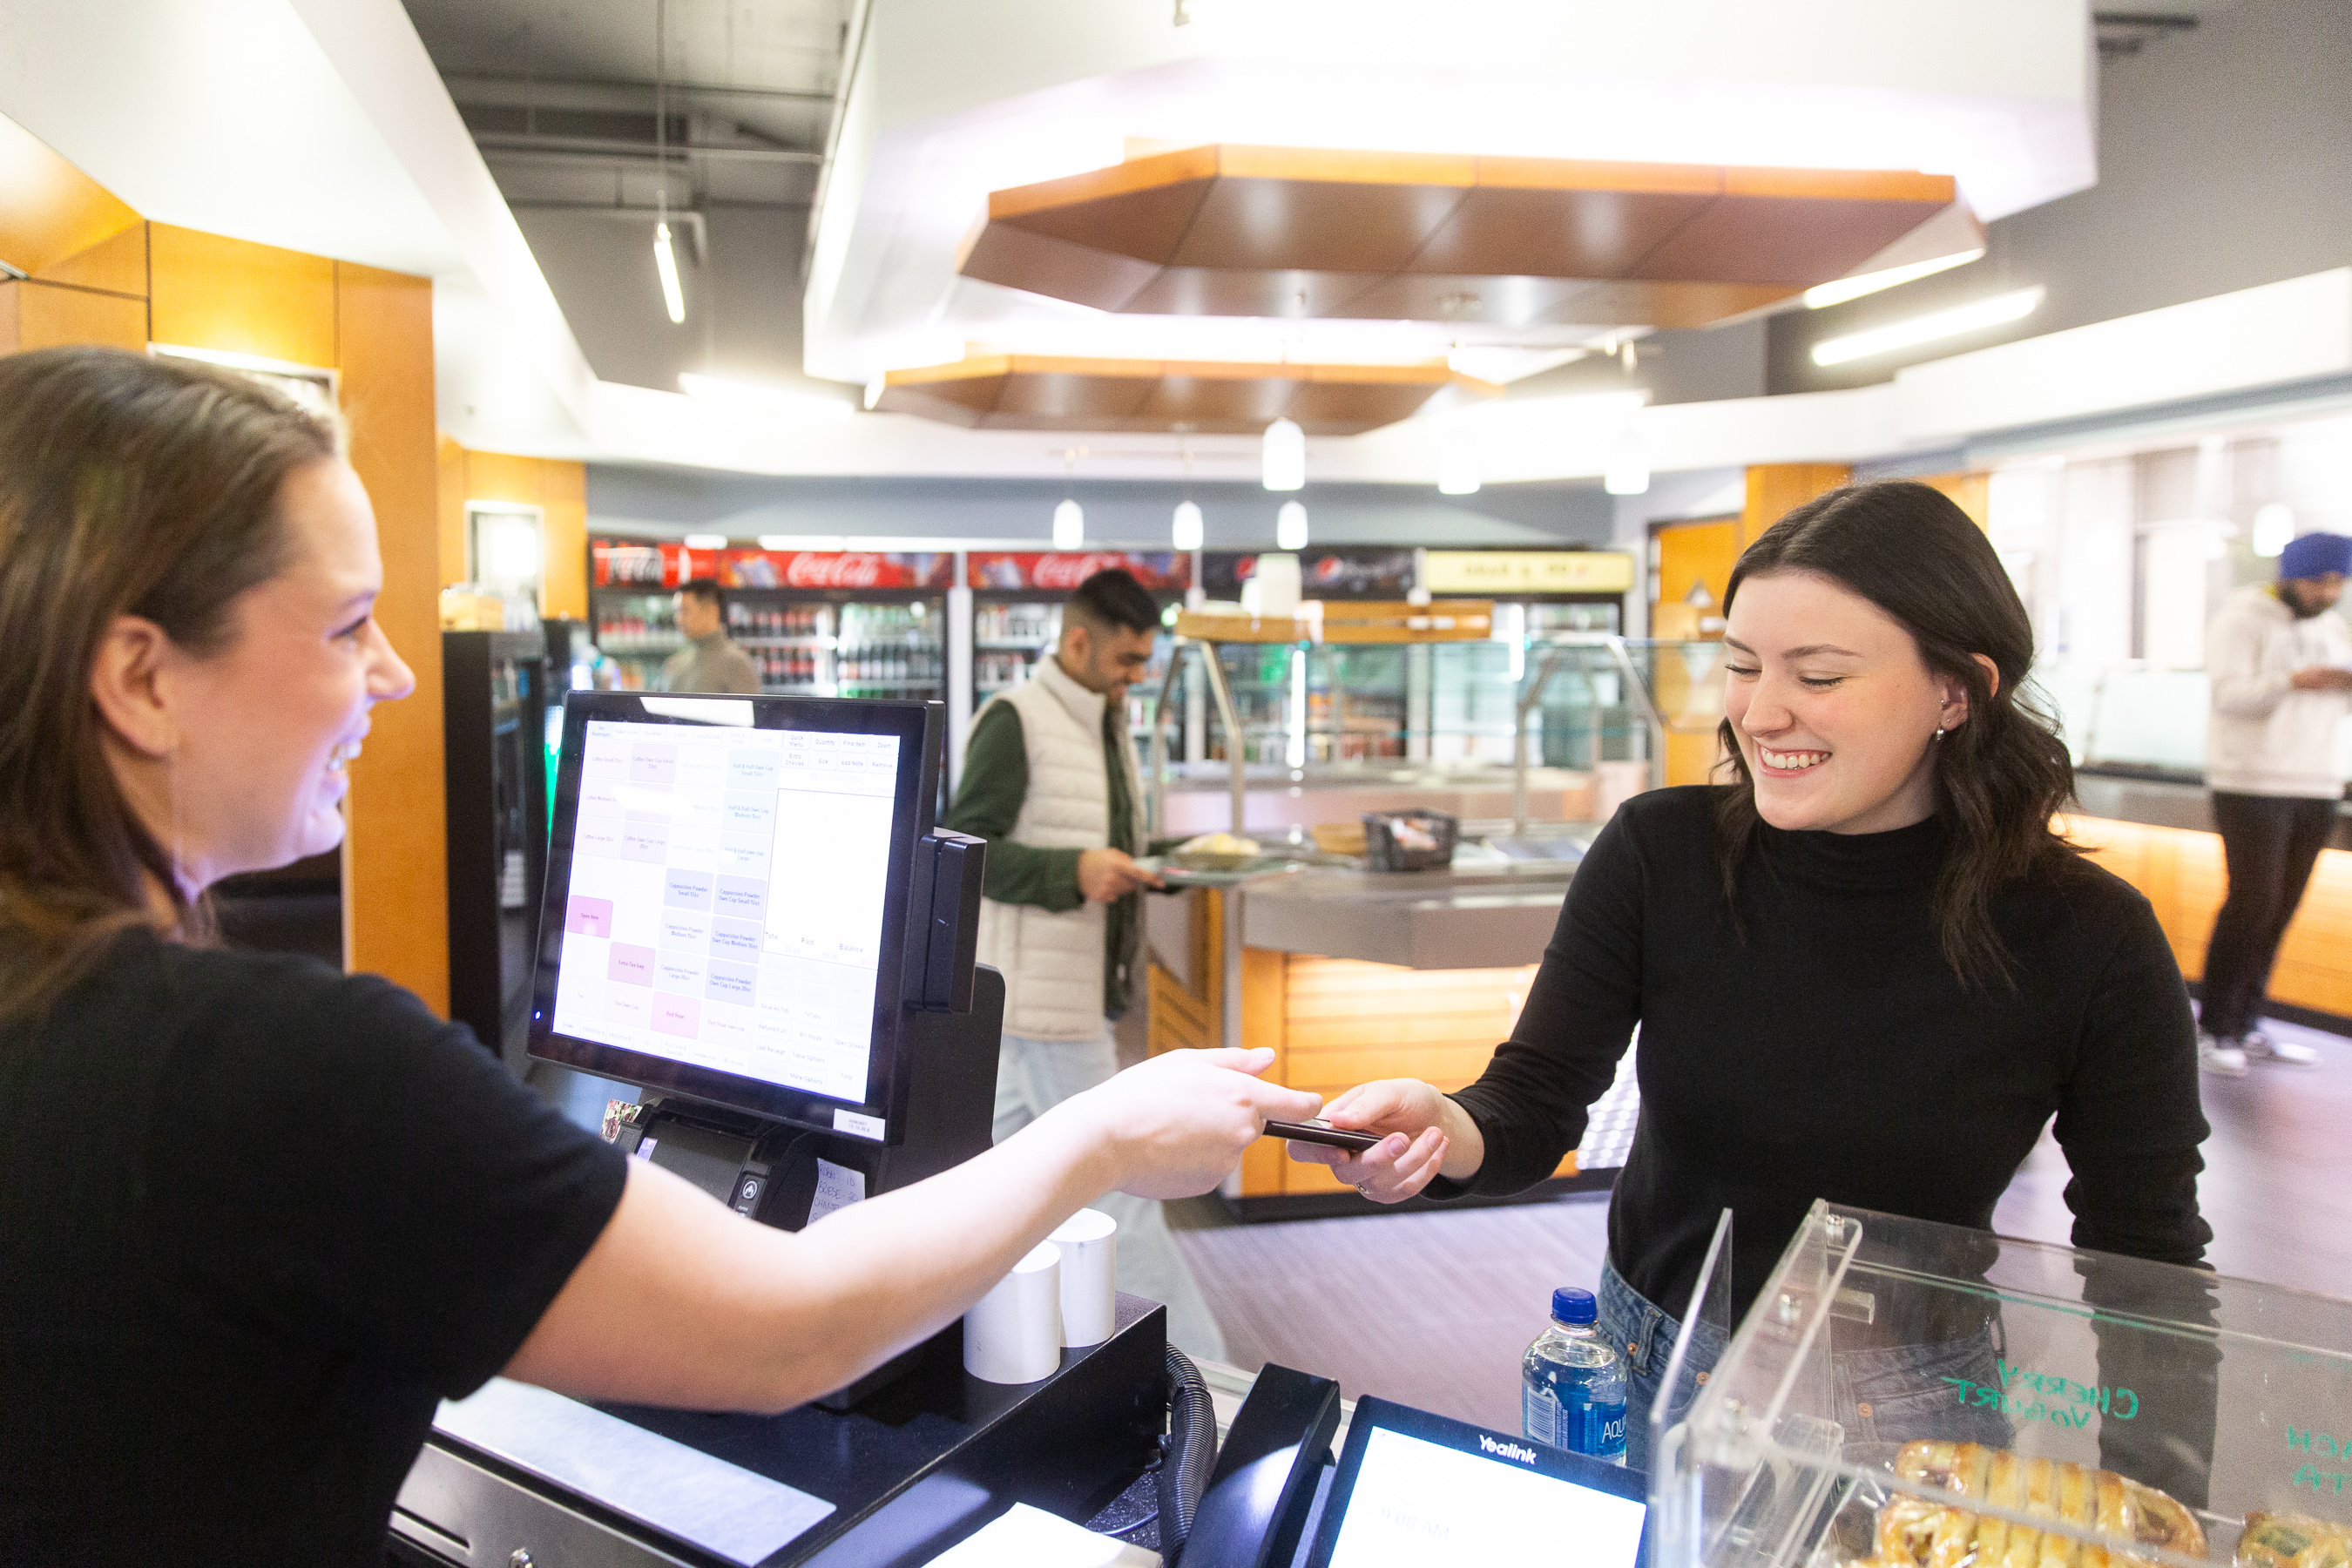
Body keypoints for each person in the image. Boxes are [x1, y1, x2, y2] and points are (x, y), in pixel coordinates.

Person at [0, 346, 1321, 1565]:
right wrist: (1100, 1136)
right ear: (143, 678)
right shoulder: (269, 1069)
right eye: (349, 626)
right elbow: (789, 1329)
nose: (398, 676)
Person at [1291, 481, 2212, 1474]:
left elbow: (2147, 1261)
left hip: (1912, 1417)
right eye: (1740, 665)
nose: (1759, 712)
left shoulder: (2089, 934)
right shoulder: (1662, 852)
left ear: (1959, 690)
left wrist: (2161, 1501)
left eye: (1816, 676)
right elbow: (1536, 1099)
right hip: (1643, 1369)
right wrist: (1444, 1127)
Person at [943, 569, 1232, 1358]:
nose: (1137, 674)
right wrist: (1073, 871)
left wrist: (1162, 861)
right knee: (1125, 1184)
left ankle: (967, 1333)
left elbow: (1101, 842)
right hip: (1042, 1006)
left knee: (990, 1181)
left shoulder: (1102, 722)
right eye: (1128, 659)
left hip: (1056, 1000)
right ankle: (1208, 1376)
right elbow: (965, 853)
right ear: (1077, 642)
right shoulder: (1017, 720)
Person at [2195, 531, 2352, 1075]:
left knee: (2282, 910)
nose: (2328, 592)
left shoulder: (2334, 629)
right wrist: (2293, 681)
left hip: (2318, 784)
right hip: (2251, 783)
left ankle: (2247, 1023)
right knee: (2252, 904)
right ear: (2290, 576)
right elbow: (2228, 696)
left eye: (2338, 582)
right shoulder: (2241, 620)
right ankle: (2214, 1026)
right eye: (2319, 581)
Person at [663, 575, 760, 693]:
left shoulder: (737, 665)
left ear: (711, 611)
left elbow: (750, 710)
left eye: (684, 610)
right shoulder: (676, 663)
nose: (677, 619)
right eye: (676, 611)